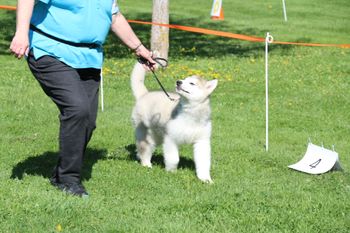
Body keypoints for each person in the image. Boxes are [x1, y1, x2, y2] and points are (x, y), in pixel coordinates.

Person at [10, 0, 155, 197]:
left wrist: (140, 50)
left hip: (89, 58)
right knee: (77, 108)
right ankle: (68, 179)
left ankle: (61, 174)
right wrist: (21, 33)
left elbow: (114, 16)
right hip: (49, 49)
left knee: (87, 121)